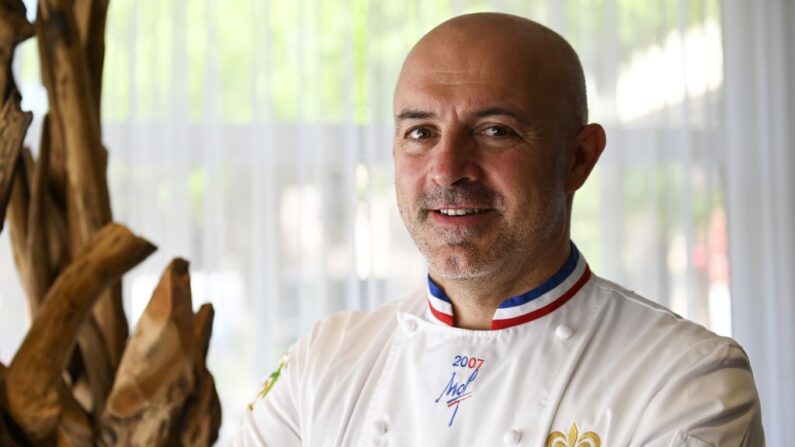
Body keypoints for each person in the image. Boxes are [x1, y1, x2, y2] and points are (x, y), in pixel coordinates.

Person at [231, 12, 764, 446]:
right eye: (421, 132)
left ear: (578, 159)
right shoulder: (323, 360)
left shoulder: (686, 380)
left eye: (495, 131)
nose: (447, 169)